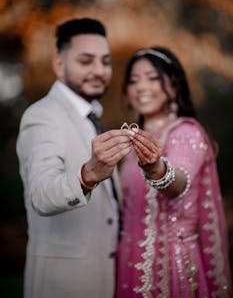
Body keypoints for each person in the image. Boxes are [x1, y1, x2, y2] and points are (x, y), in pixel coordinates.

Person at [16, 17, 133, 298]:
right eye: (85, 61)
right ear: (59, 64)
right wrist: (87, 175)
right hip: (62, 285)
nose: (99, 70)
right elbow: (41, 195)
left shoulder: (92, 115)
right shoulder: (43, 116)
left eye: (105, 61)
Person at [116, 47, 232, 297]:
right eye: (133, 81)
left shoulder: (186, 133)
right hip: (126, 261)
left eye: (153, 78)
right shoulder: (129, 146)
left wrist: (157, 169)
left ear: (175, 85)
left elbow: (178, 183)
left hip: (170, 266)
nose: (141, 87)